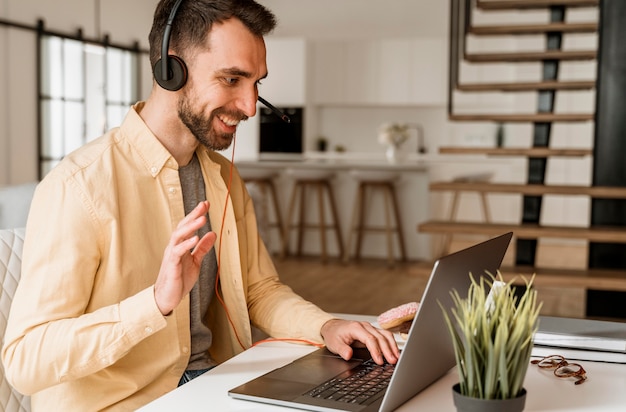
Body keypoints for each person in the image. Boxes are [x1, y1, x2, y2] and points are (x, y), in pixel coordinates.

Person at [1, 0, 399, 410]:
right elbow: (24, 360)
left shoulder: (222, 177)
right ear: (170, 70)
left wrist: (327, 325)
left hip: (210, 384)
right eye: (231, 79)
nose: (249, 105)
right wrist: (154, 303)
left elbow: (259, 290)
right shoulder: (78, 187)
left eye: (256, 83)